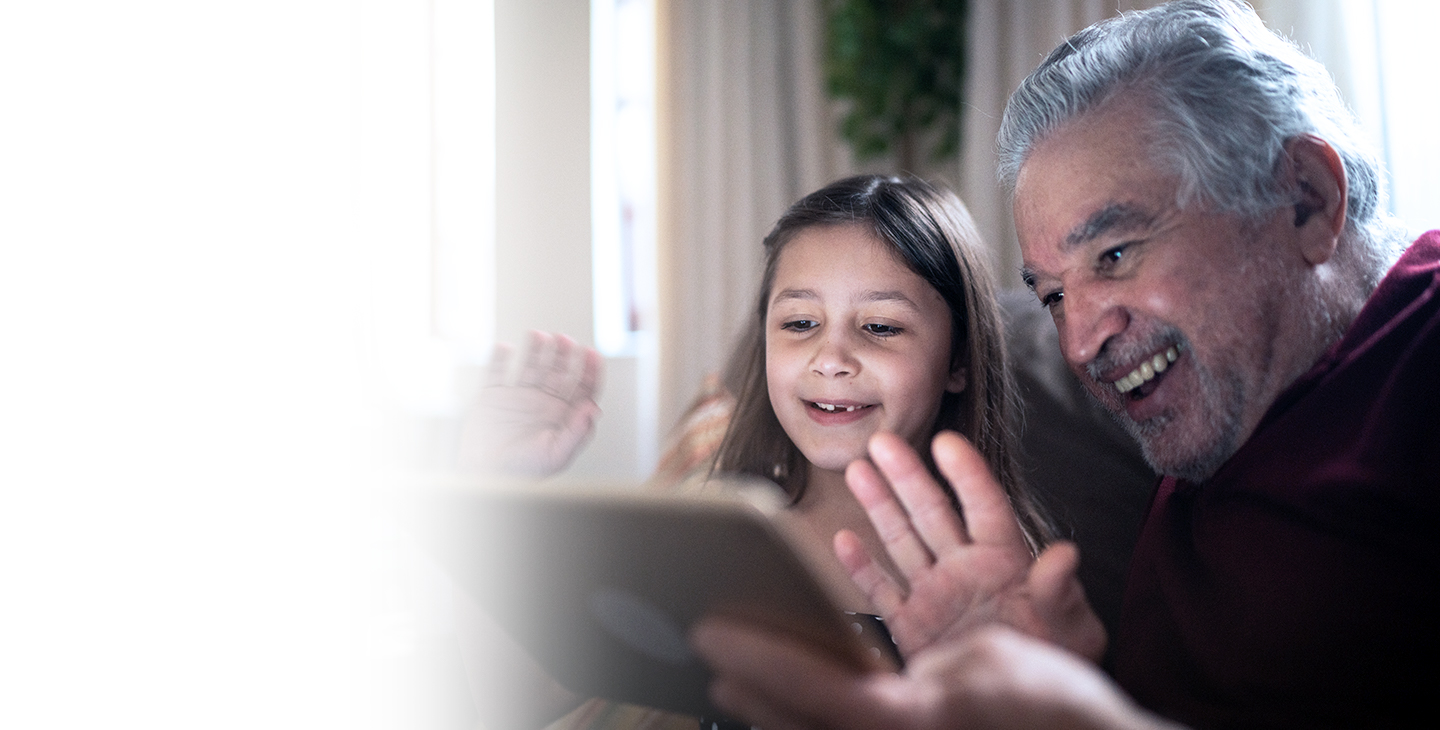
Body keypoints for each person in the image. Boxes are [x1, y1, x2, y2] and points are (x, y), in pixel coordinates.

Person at [691, 1, 1439, 728]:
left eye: (1114, 255)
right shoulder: (1216, 417)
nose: (1079, 343)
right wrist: (1051, 687)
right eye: (1051, 295)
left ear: (1304, 198)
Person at [455, 174, 1104, 728]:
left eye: (879, 327)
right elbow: (525, 699)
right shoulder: (706, 521)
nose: (831, 359)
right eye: (799, 324)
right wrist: (485, 481)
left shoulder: (998, 576)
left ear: (959, 358)